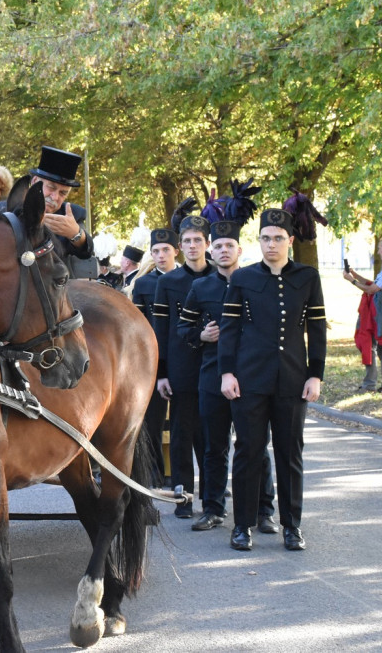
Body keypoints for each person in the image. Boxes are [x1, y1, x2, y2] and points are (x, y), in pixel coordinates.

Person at [219, 208, 326, 551]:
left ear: (290, 241)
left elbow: (317, 329)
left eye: (278, 238)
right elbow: (229, 330)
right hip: (249, 379)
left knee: (290, 453)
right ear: (259, 241)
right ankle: (243, 526)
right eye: (265, 238)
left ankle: (292, 526)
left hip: (293, 380)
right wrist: (226, 372)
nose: (271, 244)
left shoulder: (308, 277)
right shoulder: (243, 279)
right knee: (248, 450)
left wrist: (316, 375)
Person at [177, 219, 277, 534]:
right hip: (211, 377)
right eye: (217, 245)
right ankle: (213, 508)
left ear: (239, 249)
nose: (223, 250)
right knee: (213, 446)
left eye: (228, 245)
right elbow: (183, 328)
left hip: (251, 378)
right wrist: (201, 336)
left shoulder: (257, 281)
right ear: (211, 248)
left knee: (255, 446)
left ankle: (264, 511)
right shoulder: (201, 287)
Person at [154, 213, 214, 519]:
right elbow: (160, 332)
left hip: (215, 367)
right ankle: (183, 497)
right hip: (181, 368)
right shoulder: (167, 282)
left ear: (208, 244)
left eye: (197, 241)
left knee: (211, 436)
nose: (192, 246)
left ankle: (212, 500)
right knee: (180, 436)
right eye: (187, 241)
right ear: (181, 245)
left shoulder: (221, 277)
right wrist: (161, 373)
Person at [132, 228, 179, 487]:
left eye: (165, 250)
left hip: (183, 355)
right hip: (153, 359)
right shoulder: (144, 284)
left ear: (176, 251)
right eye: (156, 251)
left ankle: (197, 478)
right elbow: (140, 324)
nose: (160, 255)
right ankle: (154, 474)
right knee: (152, 422)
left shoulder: (188, 280)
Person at [344, 237, 382, 392]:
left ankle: (379, 383)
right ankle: (379, 383)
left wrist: (352, 281)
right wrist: (355, 274)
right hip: (378, 311)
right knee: (375, 346)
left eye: (380, 248)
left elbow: (372, 289)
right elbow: (373, 283)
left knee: (377, 346)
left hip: (380, 313)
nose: (378, 252)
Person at [30, 146, 95, 264]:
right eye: (51, 187)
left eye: (63, 193)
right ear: (34, 182)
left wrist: (75, 234)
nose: (55, 197)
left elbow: (86, 251)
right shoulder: (12, 209)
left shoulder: (71, 214)